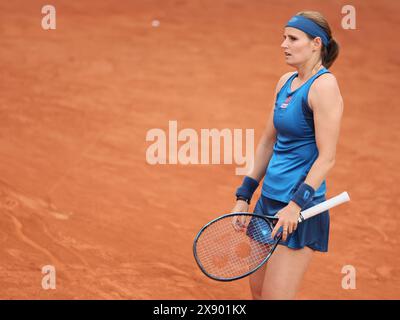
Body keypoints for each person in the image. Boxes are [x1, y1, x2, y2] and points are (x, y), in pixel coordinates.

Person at [232, 11, 344, 300]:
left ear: (316, 43)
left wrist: (296, 204)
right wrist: (244, 194)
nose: (284, 44)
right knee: (257, 292)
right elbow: (268, 142)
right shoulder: (285, 82)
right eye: (283, 37)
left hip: (299, 210)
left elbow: (327, 157)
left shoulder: (324, 87)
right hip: (267, 202)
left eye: (292, 38)